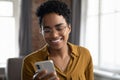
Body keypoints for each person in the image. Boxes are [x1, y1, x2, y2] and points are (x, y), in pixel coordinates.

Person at [21, 0, 94, 80]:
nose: (54, 35)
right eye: (47, 30)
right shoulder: (30, 62)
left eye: (59, 28)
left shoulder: (84, 55)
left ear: (69, 28)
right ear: (41, 31)